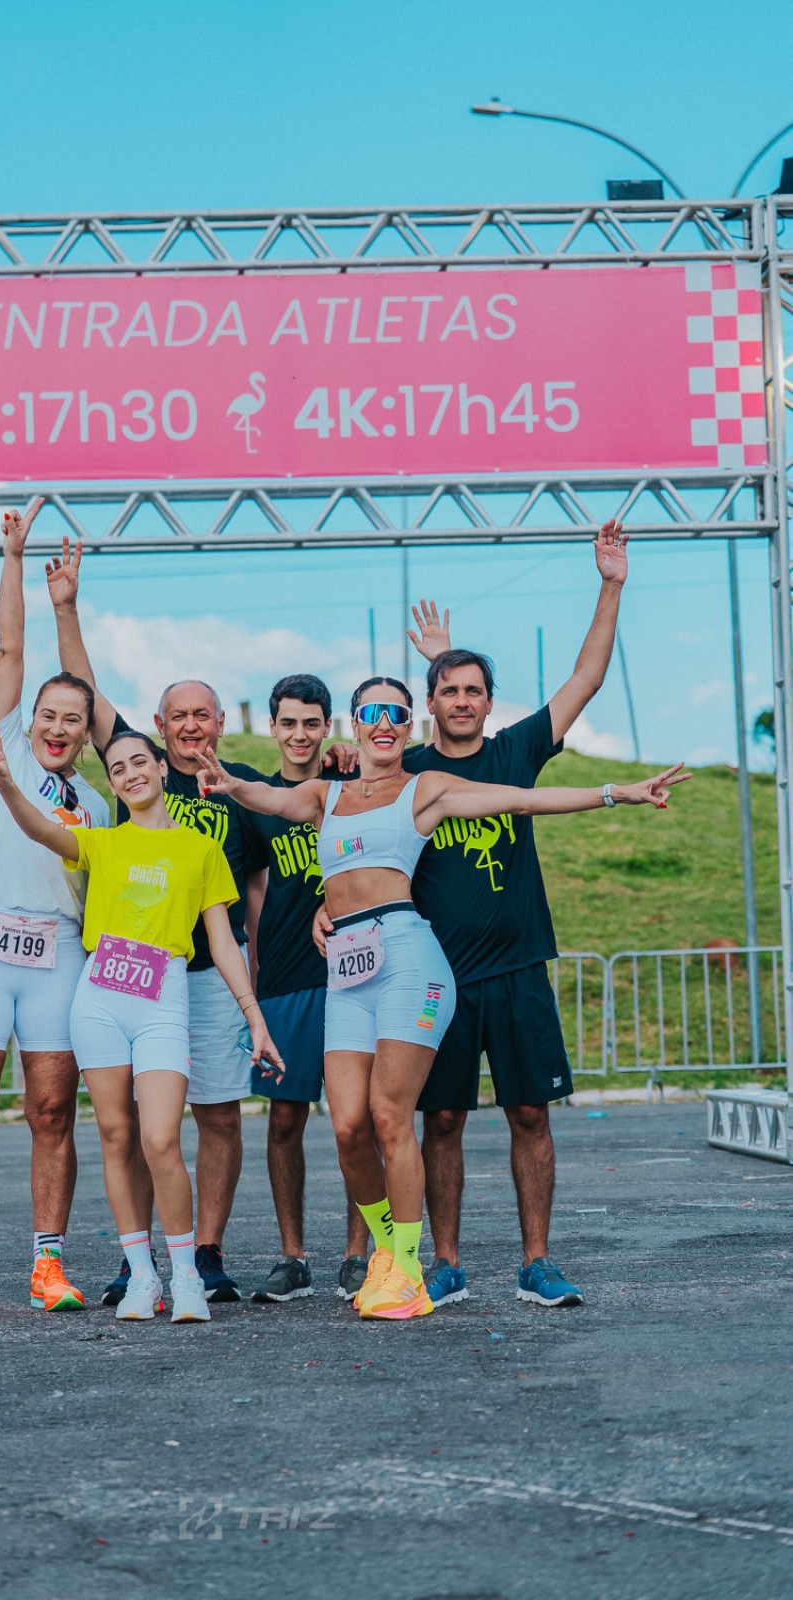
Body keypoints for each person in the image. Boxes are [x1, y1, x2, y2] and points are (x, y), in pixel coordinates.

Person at [200, 675, 688, 1321]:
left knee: (389, 1117)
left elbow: (518, 799)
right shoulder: (328, 791)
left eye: (397, 713)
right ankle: (386, 1253)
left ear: (411, 725)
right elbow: (274, 799)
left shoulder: (423, 789)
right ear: (354, 723)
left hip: (407, 959)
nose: (385, 722)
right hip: (347, 967)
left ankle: (404, 1266)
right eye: (373, 711)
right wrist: (232, 785)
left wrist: (615, 792)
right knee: (346, 1126)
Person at [0, 723, 285, 1322]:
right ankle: (142, 1275)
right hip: (99, 1000)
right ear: (113, 784)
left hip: (163, 996)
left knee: (160, 1139)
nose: (130, 774)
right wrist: (9, 788)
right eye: (117, 769)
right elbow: (41, 829)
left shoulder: (200, 848)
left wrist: (255, 1016)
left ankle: (186, 1274)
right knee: (116, 1137)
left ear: (163, 769)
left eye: (140, 762)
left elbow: (223, 943)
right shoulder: (104, 842)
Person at [403, 519, 631, 1309]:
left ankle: (538, 1261)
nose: (461, 701)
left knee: (530, 1112)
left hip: (519, 968)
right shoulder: (406, 770)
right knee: (441, 1122)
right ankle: (447, 1263)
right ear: (429, 700)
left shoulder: (514, 753)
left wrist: (609, 586)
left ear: (488, 703)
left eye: (473, 691)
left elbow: (586, 678)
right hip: (438, 979)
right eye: (448, 689)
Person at [45, 539, 267, 1303]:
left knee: (216, 1120)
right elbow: (88, 692)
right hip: (129, 977)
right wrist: (68, 607)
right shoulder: (135, 774)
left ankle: (201, 1252)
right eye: (178, 716)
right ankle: (134, 1258)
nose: (191, 725)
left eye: (203, 713)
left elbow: (263, 883)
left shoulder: (246, 789)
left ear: (219, 721)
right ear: (156, 727)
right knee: (134, 1126)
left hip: (206, 979)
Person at [0, 499, 110, 1324]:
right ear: (28, 718)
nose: (57, 727)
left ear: (84, 733)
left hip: (58, 957)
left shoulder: (103, 808)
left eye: (73, 720)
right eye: (48, 714)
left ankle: (48, 1266)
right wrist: (14, 558)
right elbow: (10, 646)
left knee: (51, 1112)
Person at [247, 675, 370, 1305]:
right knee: (286, 1119)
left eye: (311, 723)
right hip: (287, 981)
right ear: (273, 727)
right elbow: (252, 897)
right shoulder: (259, 800)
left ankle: (358, 1252)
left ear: (328, 728)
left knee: (356, 1121)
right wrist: (255, 986)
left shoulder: (349, 788)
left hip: (355, 975)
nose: (300, 734)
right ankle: (292, 1255)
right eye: (289, 722)